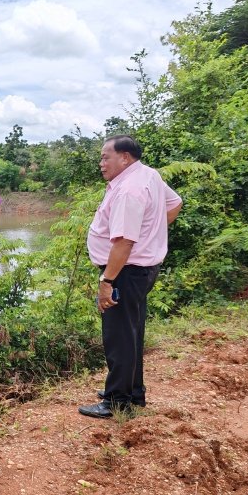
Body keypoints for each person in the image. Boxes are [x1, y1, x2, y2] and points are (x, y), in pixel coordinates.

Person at [79, 135, 182, 418]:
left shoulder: (129, 190)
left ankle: (117, 401)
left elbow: (123, 242)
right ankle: (132, 391)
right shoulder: (149, 175)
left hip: (124, 272)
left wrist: (107, 281)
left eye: (105, 157)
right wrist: (150, 234)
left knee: (119, 335)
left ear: (124, 157)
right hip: (140, 268)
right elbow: (175, 203)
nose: (101, 163)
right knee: (132, 330)